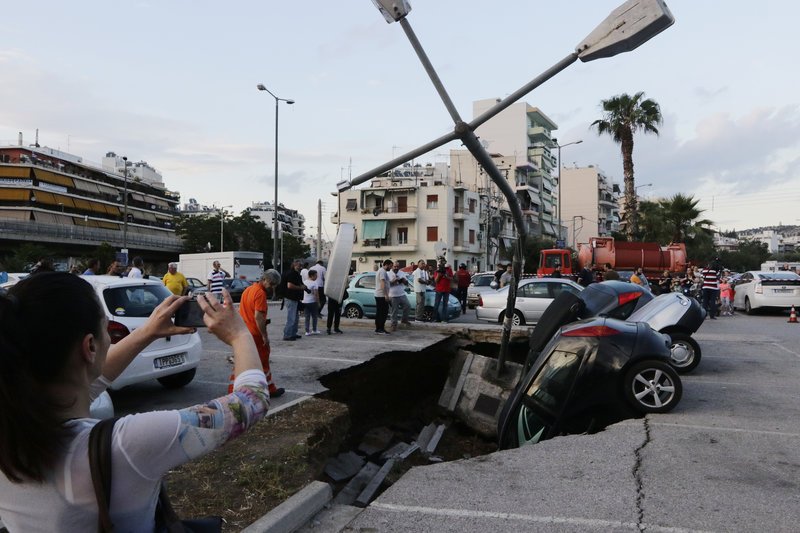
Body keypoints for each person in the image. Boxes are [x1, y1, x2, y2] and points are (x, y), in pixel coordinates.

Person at [0, 272, 269, 531]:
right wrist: (240, 335)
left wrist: (148, 331)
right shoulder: (125, 445)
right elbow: (251, 401)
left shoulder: (14, 427)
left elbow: (92, 379)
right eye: (105, 325)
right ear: (90, 347)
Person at [238, 268, 285, 398]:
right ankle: (269, 389)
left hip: (245, 332)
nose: (272, 288)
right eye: (271, 284)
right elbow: (258, 316)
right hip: (256, 334)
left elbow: (243, 312)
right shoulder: (260, 293)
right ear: (265, 280)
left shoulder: (248, 290)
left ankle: (237, 390)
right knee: (263, 362)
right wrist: (265, 336)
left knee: (245, 362)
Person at [282, 260, 305, 341]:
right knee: (291, 317)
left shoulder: (295, 274)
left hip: (294, 298)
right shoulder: (292, 274)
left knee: (295, 317)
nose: (301, 267)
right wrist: (300, 288)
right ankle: (287, 335)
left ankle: (293, 333)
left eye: (301, 265)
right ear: (294, 265)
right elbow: (290, 285)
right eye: (299, 265)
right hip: (290, 298)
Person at [388, 264, 411, 331]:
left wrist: (404, 281)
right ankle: (393, 324)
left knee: (407, 306)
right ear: (392, 266)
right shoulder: (388, 274)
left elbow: (407, 283)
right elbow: (387, 284)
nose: (396, 268)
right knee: (394, 311)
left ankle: (404, 320)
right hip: (393, 295)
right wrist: (393, 281)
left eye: (397, 266)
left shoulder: (402, 273)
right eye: (395, 266)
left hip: (402, 294)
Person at [374, 259, 392, 334]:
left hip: (380, 295)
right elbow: (382, 283)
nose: (390, 268)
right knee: (383, 312)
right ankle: (380, 329)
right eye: (390, 266)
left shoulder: (382, 271)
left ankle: (378, 328)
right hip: (381, 295)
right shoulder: (382, 271)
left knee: (380, 312)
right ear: (387, 265)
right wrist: (386, 295)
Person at [303, 269, 321, 335]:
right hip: (312, 302)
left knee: (307, 317)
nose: (317, 277)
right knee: (314, 316)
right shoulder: (315, 283)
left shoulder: (304, 282)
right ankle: (314, 329)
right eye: (316, 275)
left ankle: (307, 331)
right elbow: (316, 294)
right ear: (312, 276)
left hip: (305, 302)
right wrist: (318, 302)